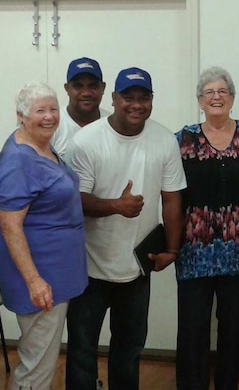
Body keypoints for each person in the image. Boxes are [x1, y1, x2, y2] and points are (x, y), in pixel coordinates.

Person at [65, 67, 187, 390]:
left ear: (151, 101)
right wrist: (116, 206)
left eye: (143, 98)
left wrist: (172, 249)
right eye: (128, 97)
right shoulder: (86, 142)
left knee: (129, 351)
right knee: (81, 351)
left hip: (136, 269)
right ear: (114, 99)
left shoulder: (163, 139)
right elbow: (75, 201)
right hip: (88, 268)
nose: (136, 105)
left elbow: (172, 199)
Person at [0, 82, 88, 390]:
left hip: (55, 272)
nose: (49, 117)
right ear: (20, 115)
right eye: (40, 111)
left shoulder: (42, 146)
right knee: (37, 366)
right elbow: (9, 226)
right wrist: (34, 280)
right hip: (39, 277)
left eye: (53, 109)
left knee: (43, 358)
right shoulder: (18, 161)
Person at [174, 67, 239, 390]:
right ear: (199, 100)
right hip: (195, 250)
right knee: (193, 329)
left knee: (232, 328)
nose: (216, 97)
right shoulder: (183, 139)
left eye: (222, 91)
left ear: (233, 98)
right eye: (209, 92)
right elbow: (169, 190)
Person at [51, 56, 108, 160]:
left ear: (103, 88)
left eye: (93, 86)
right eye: (78, 86)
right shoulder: (52, 123)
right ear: (67, 88)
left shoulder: (112, 125)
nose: (86, 93)